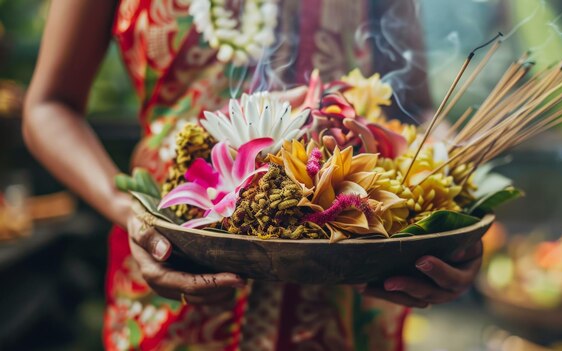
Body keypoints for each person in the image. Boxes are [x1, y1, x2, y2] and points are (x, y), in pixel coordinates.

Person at [22, 0, 483, 350]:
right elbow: (48, 107)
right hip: (172, 273)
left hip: (352, 285)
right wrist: (130, 211)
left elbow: (418, 107)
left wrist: (450, 207)